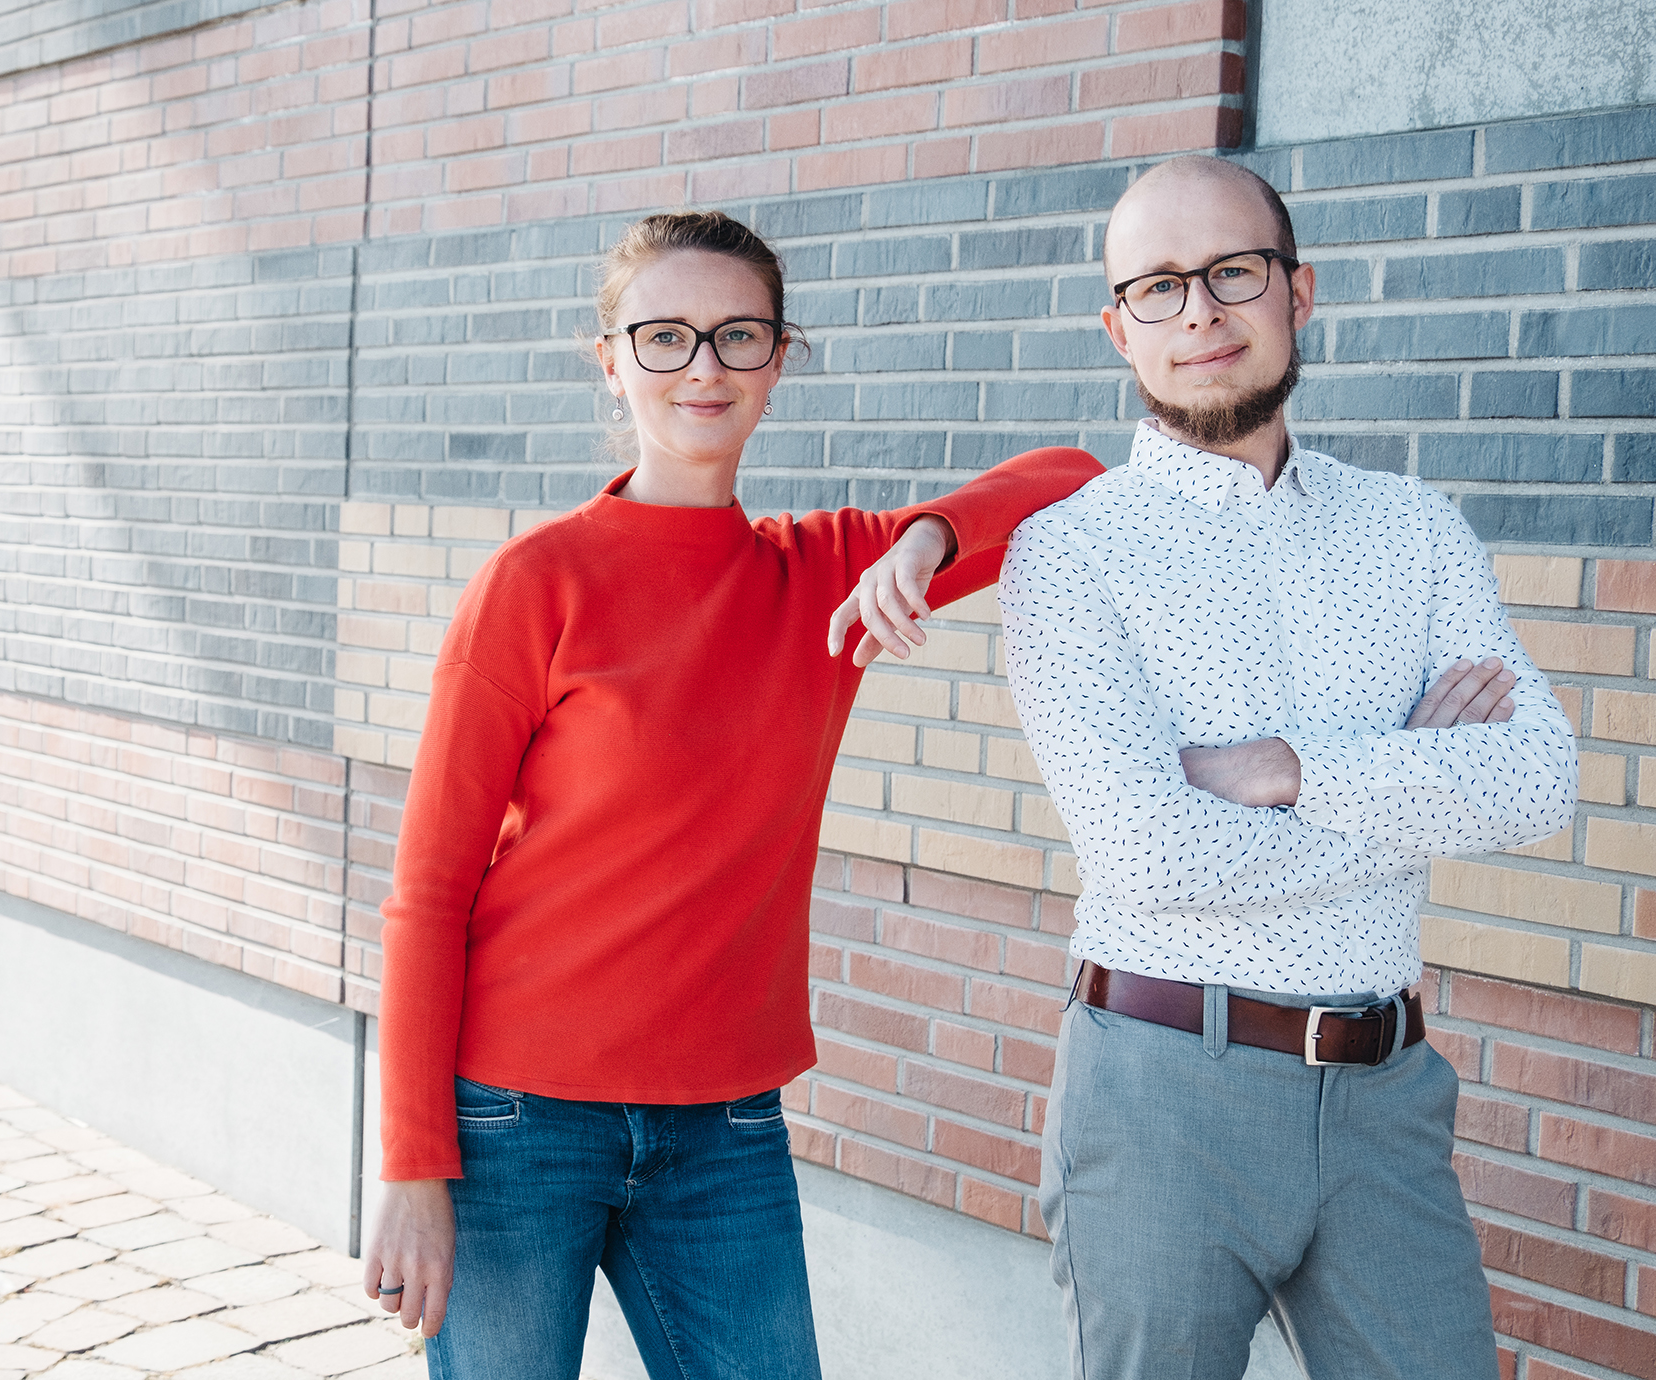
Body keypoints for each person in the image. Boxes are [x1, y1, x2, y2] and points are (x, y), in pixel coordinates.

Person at [362, 209, 1103, 1380]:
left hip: (724, 1131)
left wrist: (926, 539)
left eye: (738, 336)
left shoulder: (829, 574)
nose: (703, 367)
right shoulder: (534, 584)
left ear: (778, 361)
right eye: (665, 337)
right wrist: (413, 1162)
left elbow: (1074, 481)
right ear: (611, 363)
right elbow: (428, 891)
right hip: (513, 1119)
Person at [999, 155, 1578, 1379]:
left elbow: (1536, 779)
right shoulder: (1069, 553)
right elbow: (1149, 856)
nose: (1200, 312)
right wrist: (1415, 787)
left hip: (1387, 1099)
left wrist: (1290, 769)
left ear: (1298, 292)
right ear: (1119, 328)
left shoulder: (1415, 529)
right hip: (1162, 1096)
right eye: (1158, 287)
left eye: (1233, 271)